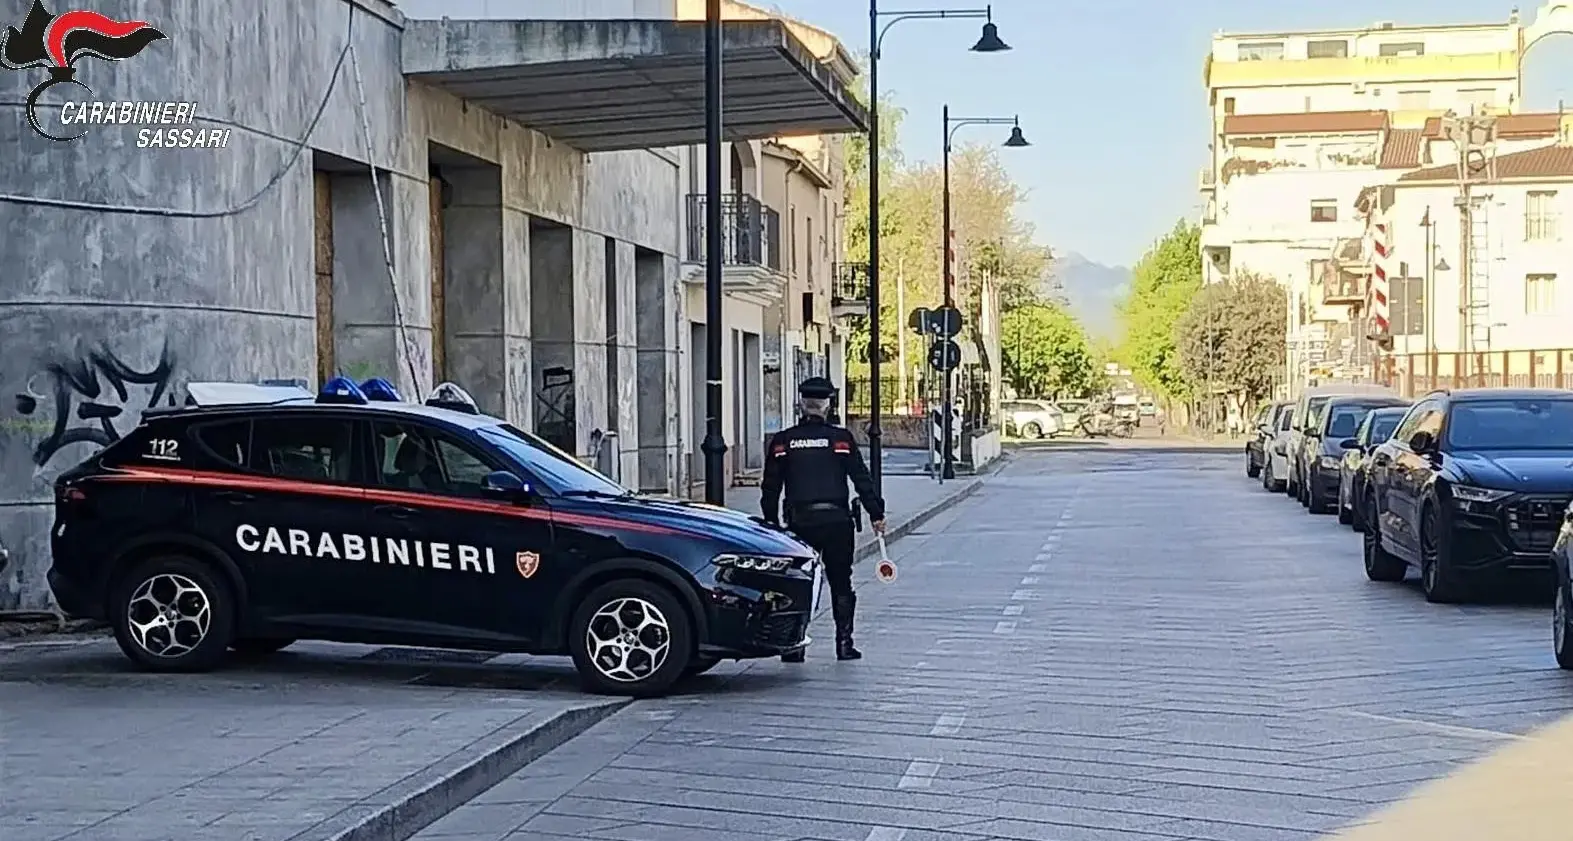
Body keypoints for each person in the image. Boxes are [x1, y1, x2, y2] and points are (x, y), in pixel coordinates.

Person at [761, 376, 886, 662]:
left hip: (799, 524)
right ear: (828, 405)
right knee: (842, 582)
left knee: (798, 583)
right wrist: (876, 514)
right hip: (837, 522)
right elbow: (862, 480)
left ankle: (793, 647)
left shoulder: (784, 442)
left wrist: (771, 526)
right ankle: (844, 644)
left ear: (802, 405)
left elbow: (770, 488)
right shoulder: (840, 440)